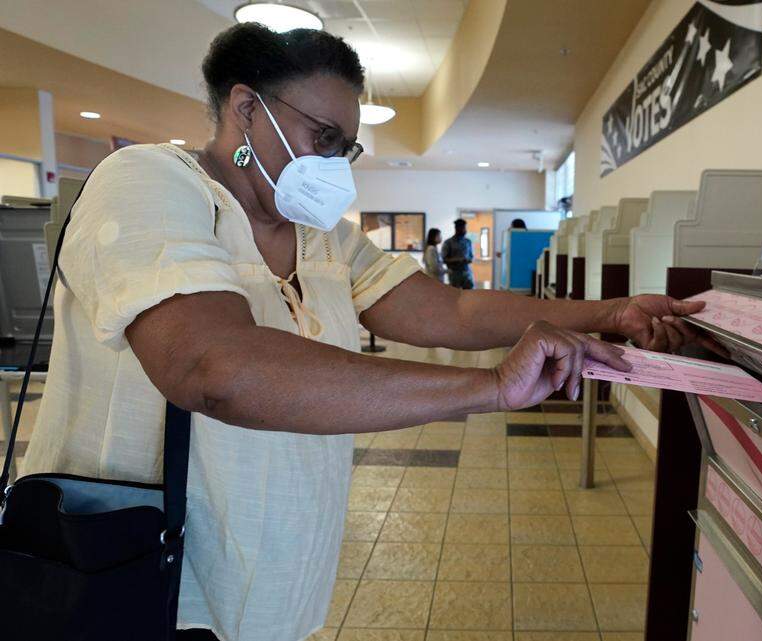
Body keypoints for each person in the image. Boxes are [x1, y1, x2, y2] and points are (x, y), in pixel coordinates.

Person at [21, 23, 707, 641]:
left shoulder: (323, 240)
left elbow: (450, 312)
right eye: (323, 138)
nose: (334, 164)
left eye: (344, 148)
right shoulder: (148, 184)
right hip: (142, 574)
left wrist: (608, 312)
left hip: (271, 576)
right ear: (246, 108)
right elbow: (213, 365)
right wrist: (493, 387)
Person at [440, 218, 474, 289]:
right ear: (457, 228)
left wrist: (468, 260)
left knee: (470, 294)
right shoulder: (448, 242)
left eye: (465, 228)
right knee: (455, 296)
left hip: (466, 272)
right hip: (454, 273)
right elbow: (443, 259)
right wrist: (457, 260)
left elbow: (471, 257)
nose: (465, 230)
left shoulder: (468, 242)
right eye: (463, 228)